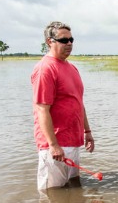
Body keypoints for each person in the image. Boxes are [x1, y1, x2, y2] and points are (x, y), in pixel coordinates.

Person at [31, 21, 95, 191]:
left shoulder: (72, 68)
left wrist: (87, 132)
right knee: (52, 196)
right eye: (64, 40)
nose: (69, 44)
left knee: (73, 188)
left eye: (71, 40)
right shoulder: (46, 69)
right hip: (55, 146)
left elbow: (78, 103)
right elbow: (41, 109)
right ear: (49, 42)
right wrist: (53, 145)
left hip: (73, 141)